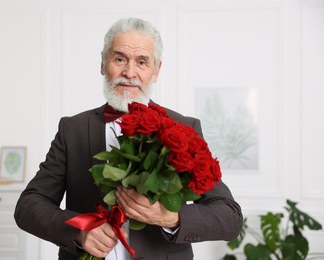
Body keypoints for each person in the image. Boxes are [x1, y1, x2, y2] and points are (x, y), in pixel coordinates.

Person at [14, 17, 243, 260]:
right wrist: (79, 231)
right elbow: (28, 205)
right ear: (103, 64)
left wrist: (171, 217)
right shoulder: (73, 129)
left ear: (156, 71)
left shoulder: (184, 128)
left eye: (142, 62)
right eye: (119, 59)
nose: (129, 72)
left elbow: (229, 217)